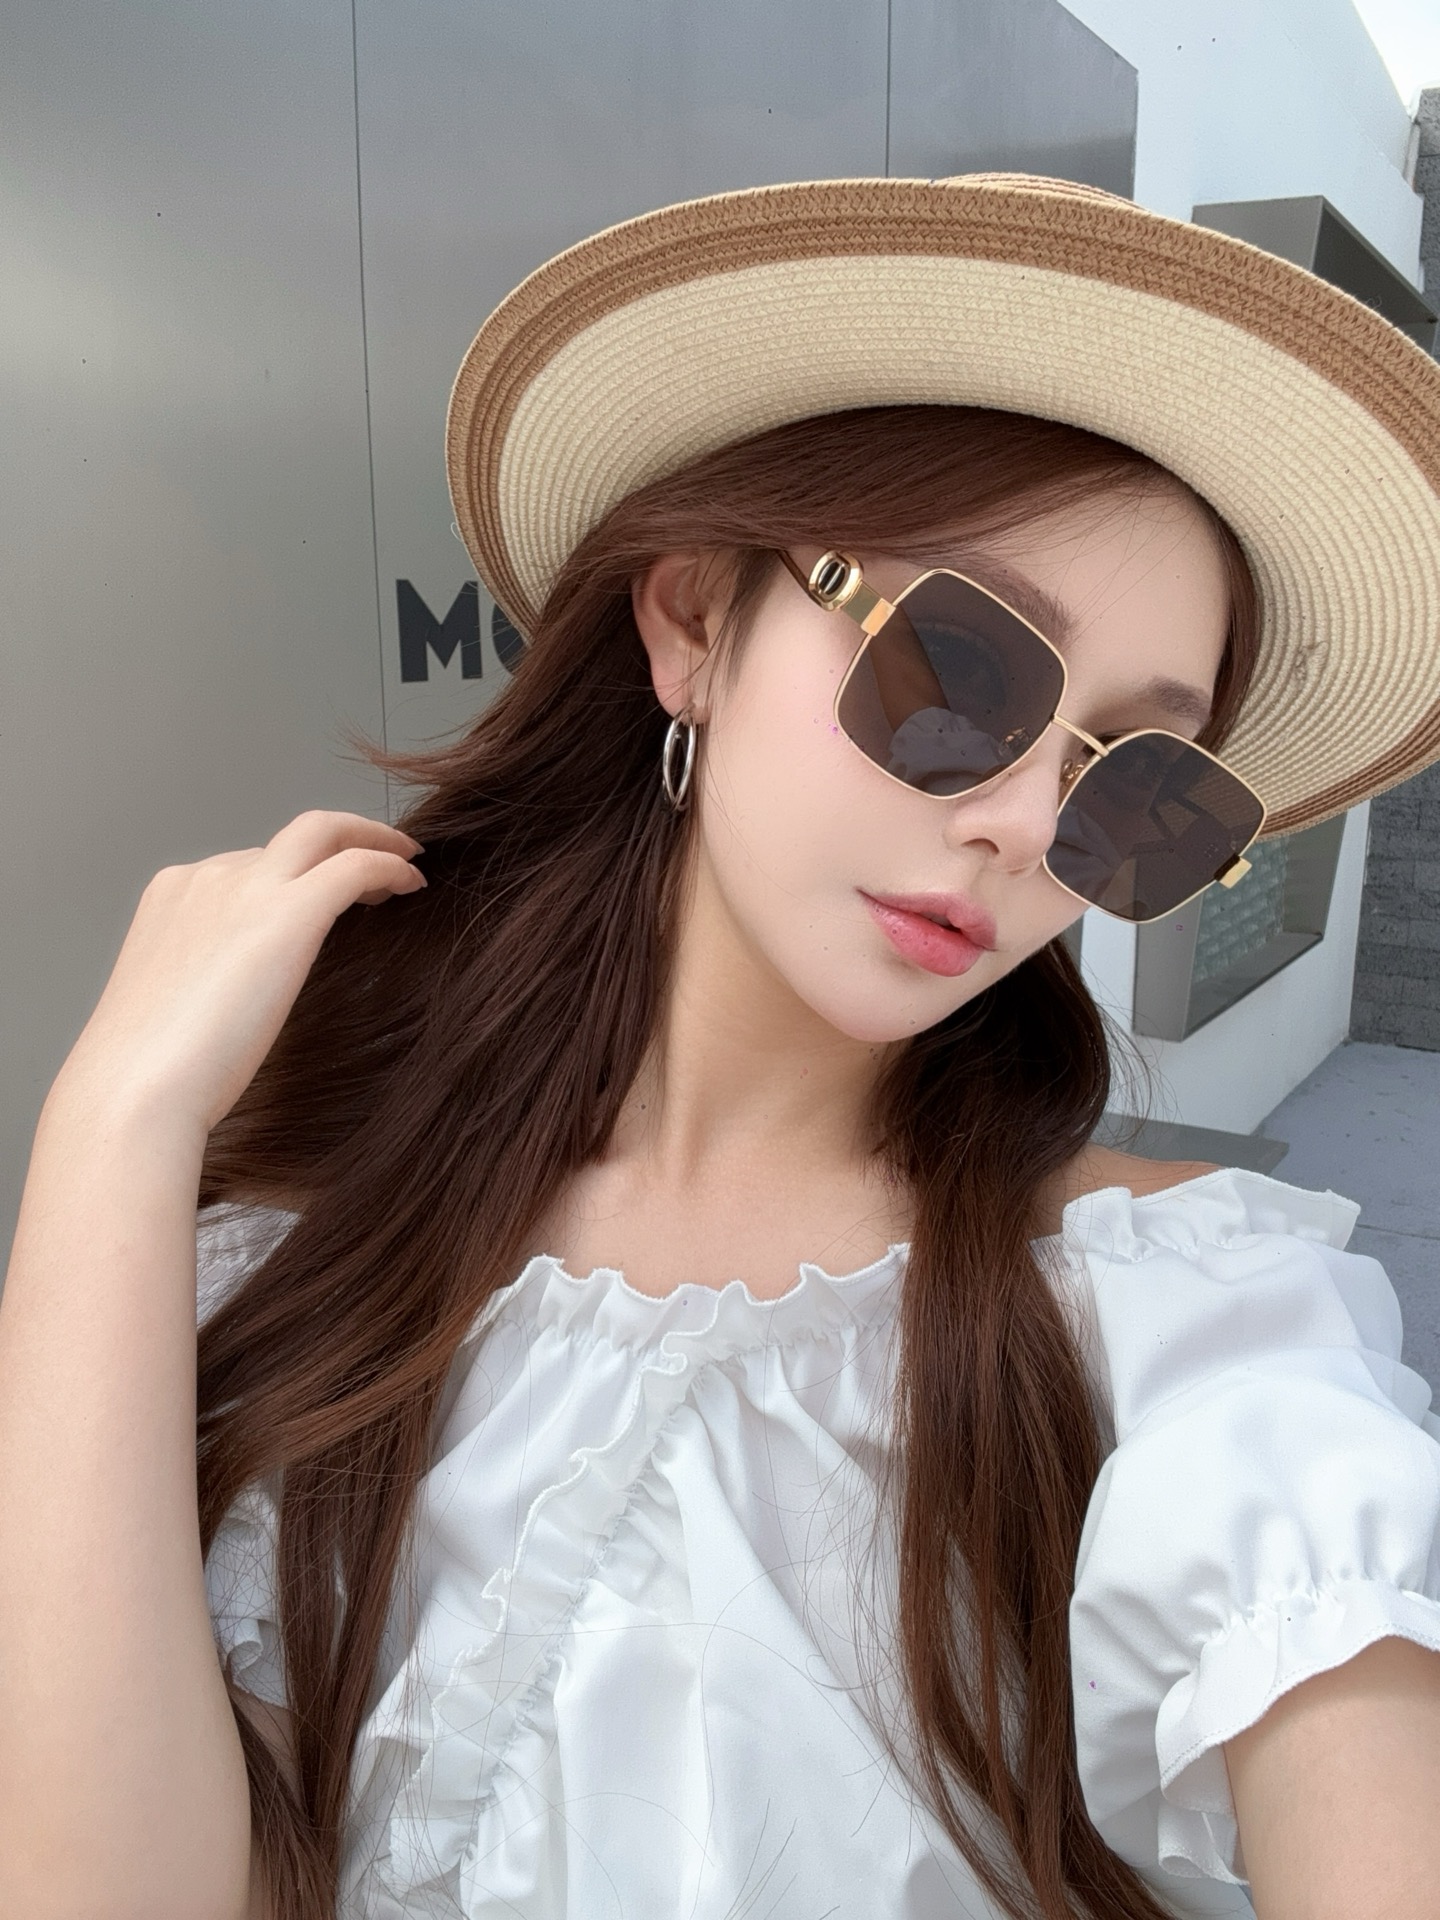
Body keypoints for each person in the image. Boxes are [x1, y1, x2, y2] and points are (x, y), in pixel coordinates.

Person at [2, 174, 1439, 1920]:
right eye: (958, 669)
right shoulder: (303, 1247)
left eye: (1136, 782)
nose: (1019, 824)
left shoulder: (1174, 1317)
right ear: (693, 620)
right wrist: (114, 1126)